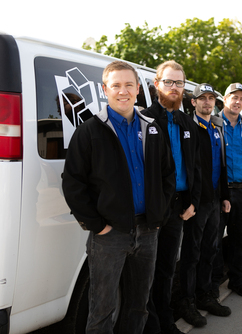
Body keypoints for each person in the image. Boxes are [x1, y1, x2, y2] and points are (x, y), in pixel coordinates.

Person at [62, 60, 175, 334]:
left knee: (139, 306)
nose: (122, 91)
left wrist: (159, 216)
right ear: (105, 90)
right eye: (116, 86)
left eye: (128, 85)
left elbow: (167, 176)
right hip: (109, 236)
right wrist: (97, 225)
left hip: (148, 232)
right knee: (102, 310)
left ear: (137, 88)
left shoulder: (152, 129)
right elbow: (73, 182)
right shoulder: (89, 131)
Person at [142, 60, 201, 334]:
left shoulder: (188, 123)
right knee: (146, 272)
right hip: (152, 207)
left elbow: (195, 167)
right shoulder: (144, 119)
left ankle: (166, 322)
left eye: (179, 82)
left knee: (167, 269)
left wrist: (193, 202)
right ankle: (150, 325)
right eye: (168, 81)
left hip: (179, 207)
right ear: (157, 84)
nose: (174, 87)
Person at [177, 83, 232, 327]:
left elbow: (222, 165)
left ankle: (206, 296)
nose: (207, 102)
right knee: (191, 255)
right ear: (193, 102)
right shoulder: (189, 128)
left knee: (211, 250)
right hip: (196, 204)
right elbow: (186, 169)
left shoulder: (216, 128)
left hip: (214, 202)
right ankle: (186, 302)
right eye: (202, 98)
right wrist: (190, 202)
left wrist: (225, 196)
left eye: (211, 99)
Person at [211, 83, 242, 298]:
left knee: (240, 240)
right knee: (213, 242)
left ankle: (237, 281)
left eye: (241, 98)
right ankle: (211, 286)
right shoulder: (212, 123)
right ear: (224, 99)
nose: (238, 102)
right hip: (218, 192)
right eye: (234, 97)